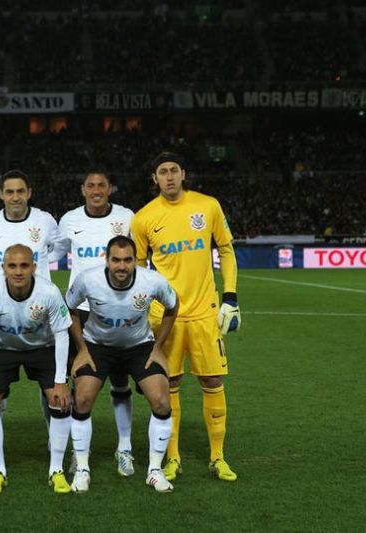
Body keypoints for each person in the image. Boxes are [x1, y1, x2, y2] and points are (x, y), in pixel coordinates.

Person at [130, 151, 241, 482]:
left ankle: (218, 457)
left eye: (174, 170)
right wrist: (143, 305)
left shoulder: (208, 205)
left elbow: (226, 249)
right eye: (162, 171)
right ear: (154, 178)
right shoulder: (144, 218)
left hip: (206, 312)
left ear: (183, 173)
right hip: (166, 317)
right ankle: (173, 458)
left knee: (212, 381)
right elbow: (136, 264)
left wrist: (231, 296)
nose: (169, 176)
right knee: (170, 384)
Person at [65, 236, 178, 493]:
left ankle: (154, 470)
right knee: (81, 399)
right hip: (97, 346)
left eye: (128, 260)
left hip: (138, 347)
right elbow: (68, 307)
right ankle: (82, 468)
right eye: (116, 259)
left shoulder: (153, 281)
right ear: (107, 259)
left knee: (161, 400)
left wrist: (158, 347)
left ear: (135, 261)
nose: (122, 266)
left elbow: (173, 306)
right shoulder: (88, 279)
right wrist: (81, 349)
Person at [0, 244, 73, 495]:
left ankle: (56, 470)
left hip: (42, 348)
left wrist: (61, 381)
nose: (18, 271)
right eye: (12, 266)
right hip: (3, 349)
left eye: (24, 265)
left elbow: (62, 335)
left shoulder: (49, 292)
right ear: (3, 268)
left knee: (60, 401)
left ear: (34, 267)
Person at [55, 171, 137, 476]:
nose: (97, 190)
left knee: (120, 381)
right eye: (91, 186)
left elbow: (138, 258)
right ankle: (80, 451)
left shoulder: (127, 217)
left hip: (119, 310)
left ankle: (125, 447)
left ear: (110, 188)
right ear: (82, 190)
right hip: (81, 312)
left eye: (102, 185)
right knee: (81, 383)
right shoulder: (69, 220)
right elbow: (52, 253)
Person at [0, 170, 61, 282]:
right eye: (9, 192)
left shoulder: (46, 221)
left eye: (20, 191)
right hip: (1, 299)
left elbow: (57, 250)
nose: (15, 198)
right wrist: (0, 277)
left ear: (29, 193)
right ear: (1, 194)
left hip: (39, 298)